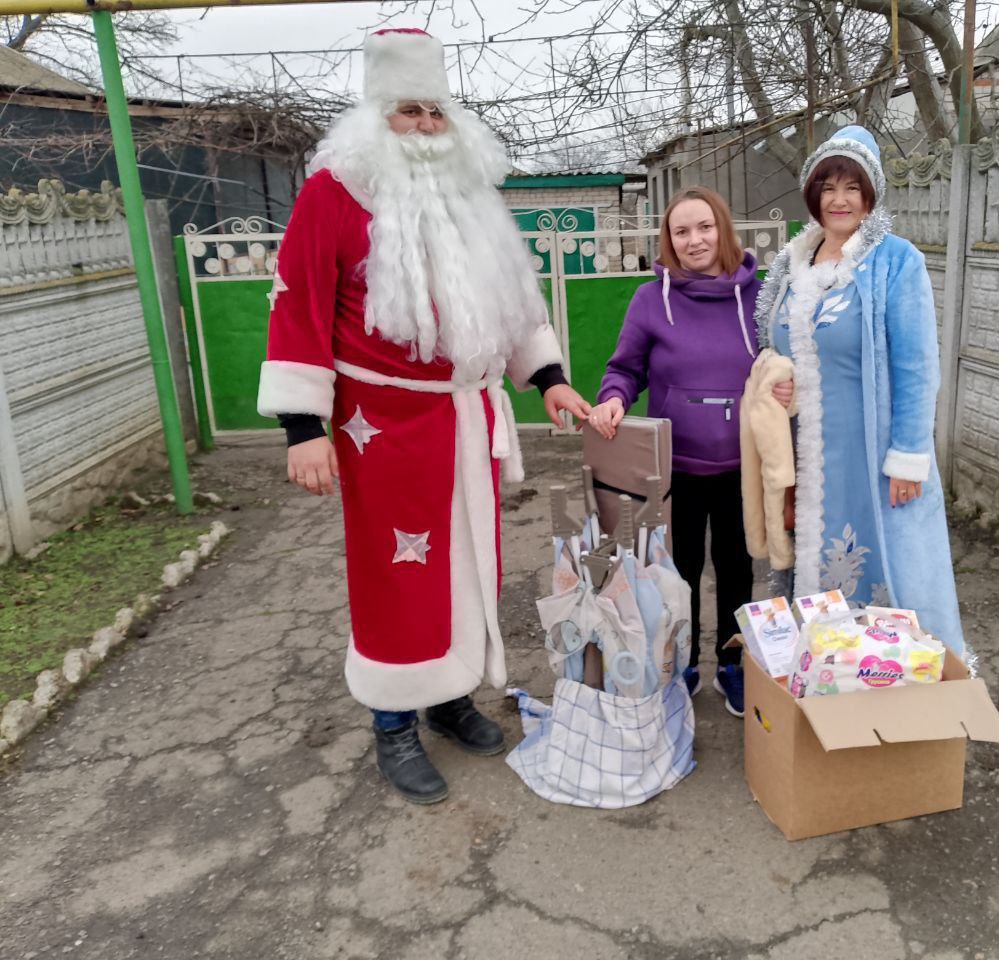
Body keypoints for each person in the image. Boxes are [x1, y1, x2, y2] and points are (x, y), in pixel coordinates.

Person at [257, 28, 591, 804]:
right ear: (378, 115)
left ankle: (449, 696)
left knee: (469, 562)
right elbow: (297, 305)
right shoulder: (333, 193)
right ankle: (392, 722)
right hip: (378, 426)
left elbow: (512, 300)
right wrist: (303, 429)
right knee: (396, 573)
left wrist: (547, 378)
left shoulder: (470, 192)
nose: (425, 127)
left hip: (463, 421)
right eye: (408, 111)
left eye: (435, 112)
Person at [754, 126, 965, 653]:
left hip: (872, 455)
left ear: (870, 195)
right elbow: (779, 349)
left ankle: (894, 684)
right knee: (808, 561)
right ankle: (823, 672)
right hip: (807, 452)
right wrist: (783, 389)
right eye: (828, 187)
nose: (840, 199)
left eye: (852, 187)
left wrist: (909, 455)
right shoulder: (792, 263)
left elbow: (918, 365)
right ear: (813, 195)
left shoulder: (896, 261)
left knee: (887, 571)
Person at [586, 187, 761, 716]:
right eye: (681, 232)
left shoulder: (762, 294)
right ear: (669, 240)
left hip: (740, 467)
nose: (694, 240)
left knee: (735, 568)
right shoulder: (649, 299)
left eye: (704, 227)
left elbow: (786, 361)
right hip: (672, 470)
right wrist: (613, 399)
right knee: (674, 571)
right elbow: (624, 368)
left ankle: (733, 667)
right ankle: (677, 663)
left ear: (723, 228)